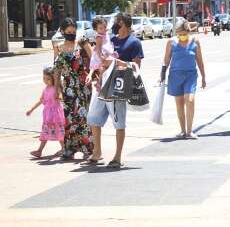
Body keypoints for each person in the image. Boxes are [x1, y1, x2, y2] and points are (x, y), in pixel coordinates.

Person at [88, 13, 144, 168]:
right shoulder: (110, 40)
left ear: (123, 23)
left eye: (116, 22)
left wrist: (117, 62)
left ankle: (117, 157)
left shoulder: (134, 43)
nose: (112, 26)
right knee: (93, 117)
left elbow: (136, 67)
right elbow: (100, 59)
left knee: (119, 122)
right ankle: (97, 151)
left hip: (119, 85)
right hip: (103, 83)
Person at [53, 18, 94, 160]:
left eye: (73, 31)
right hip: (68, 87)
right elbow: (57, 69)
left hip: (83, 85)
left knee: (82, 116)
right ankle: (69, 149)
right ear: (63, 31)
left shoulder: (82, 42)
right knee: (69, 117)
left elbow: (94, 59)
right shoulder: (58, 47)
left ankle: (88, 148)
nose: (71, 34)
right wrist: (56, 89)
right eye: (68, 31)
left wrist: (91, 74)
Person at [160, 19, 206, 139]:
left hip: (190, 75)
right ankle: (182, 130)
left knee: (190, 100)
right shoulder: (171, 42)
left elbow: (199, 60)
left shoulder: (195, 41)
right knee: (179, 103)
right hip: (175, 75)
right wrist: (162, 75)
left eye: (184, 34)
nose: (182, 36)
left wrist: (203, 76)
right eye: (179, 34)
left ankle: (190, 131)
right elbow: (166, 60)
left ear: (188, 32)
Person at [26, 66, 66, 158]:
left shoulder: (56, 88)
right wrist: (31, 109)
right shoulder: (45, 89)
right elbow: (40, 101)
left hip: (56, 115)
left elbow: (60, 96)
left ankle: (63, 148)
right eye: (44, 78)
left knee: (59, 133)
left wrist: (60, 97)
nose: (45, 81)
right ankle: (39, 151)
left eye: (48, 79)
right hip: (47, 116)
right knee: (45, 132)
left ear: (53, 79)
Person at [87, 16, 116, 85]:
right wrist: (101, 57)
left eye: (104, 27)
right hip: (101, 54)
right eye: (100, 28)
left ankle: (104, 82)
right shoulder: (99, 37)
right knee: (103, 68)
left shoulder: (104, 33)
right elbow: (98, 48)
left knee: (108, 68)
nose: (103, 29)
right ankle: (99, 83)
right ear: (96, 29)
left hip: (106, 52)